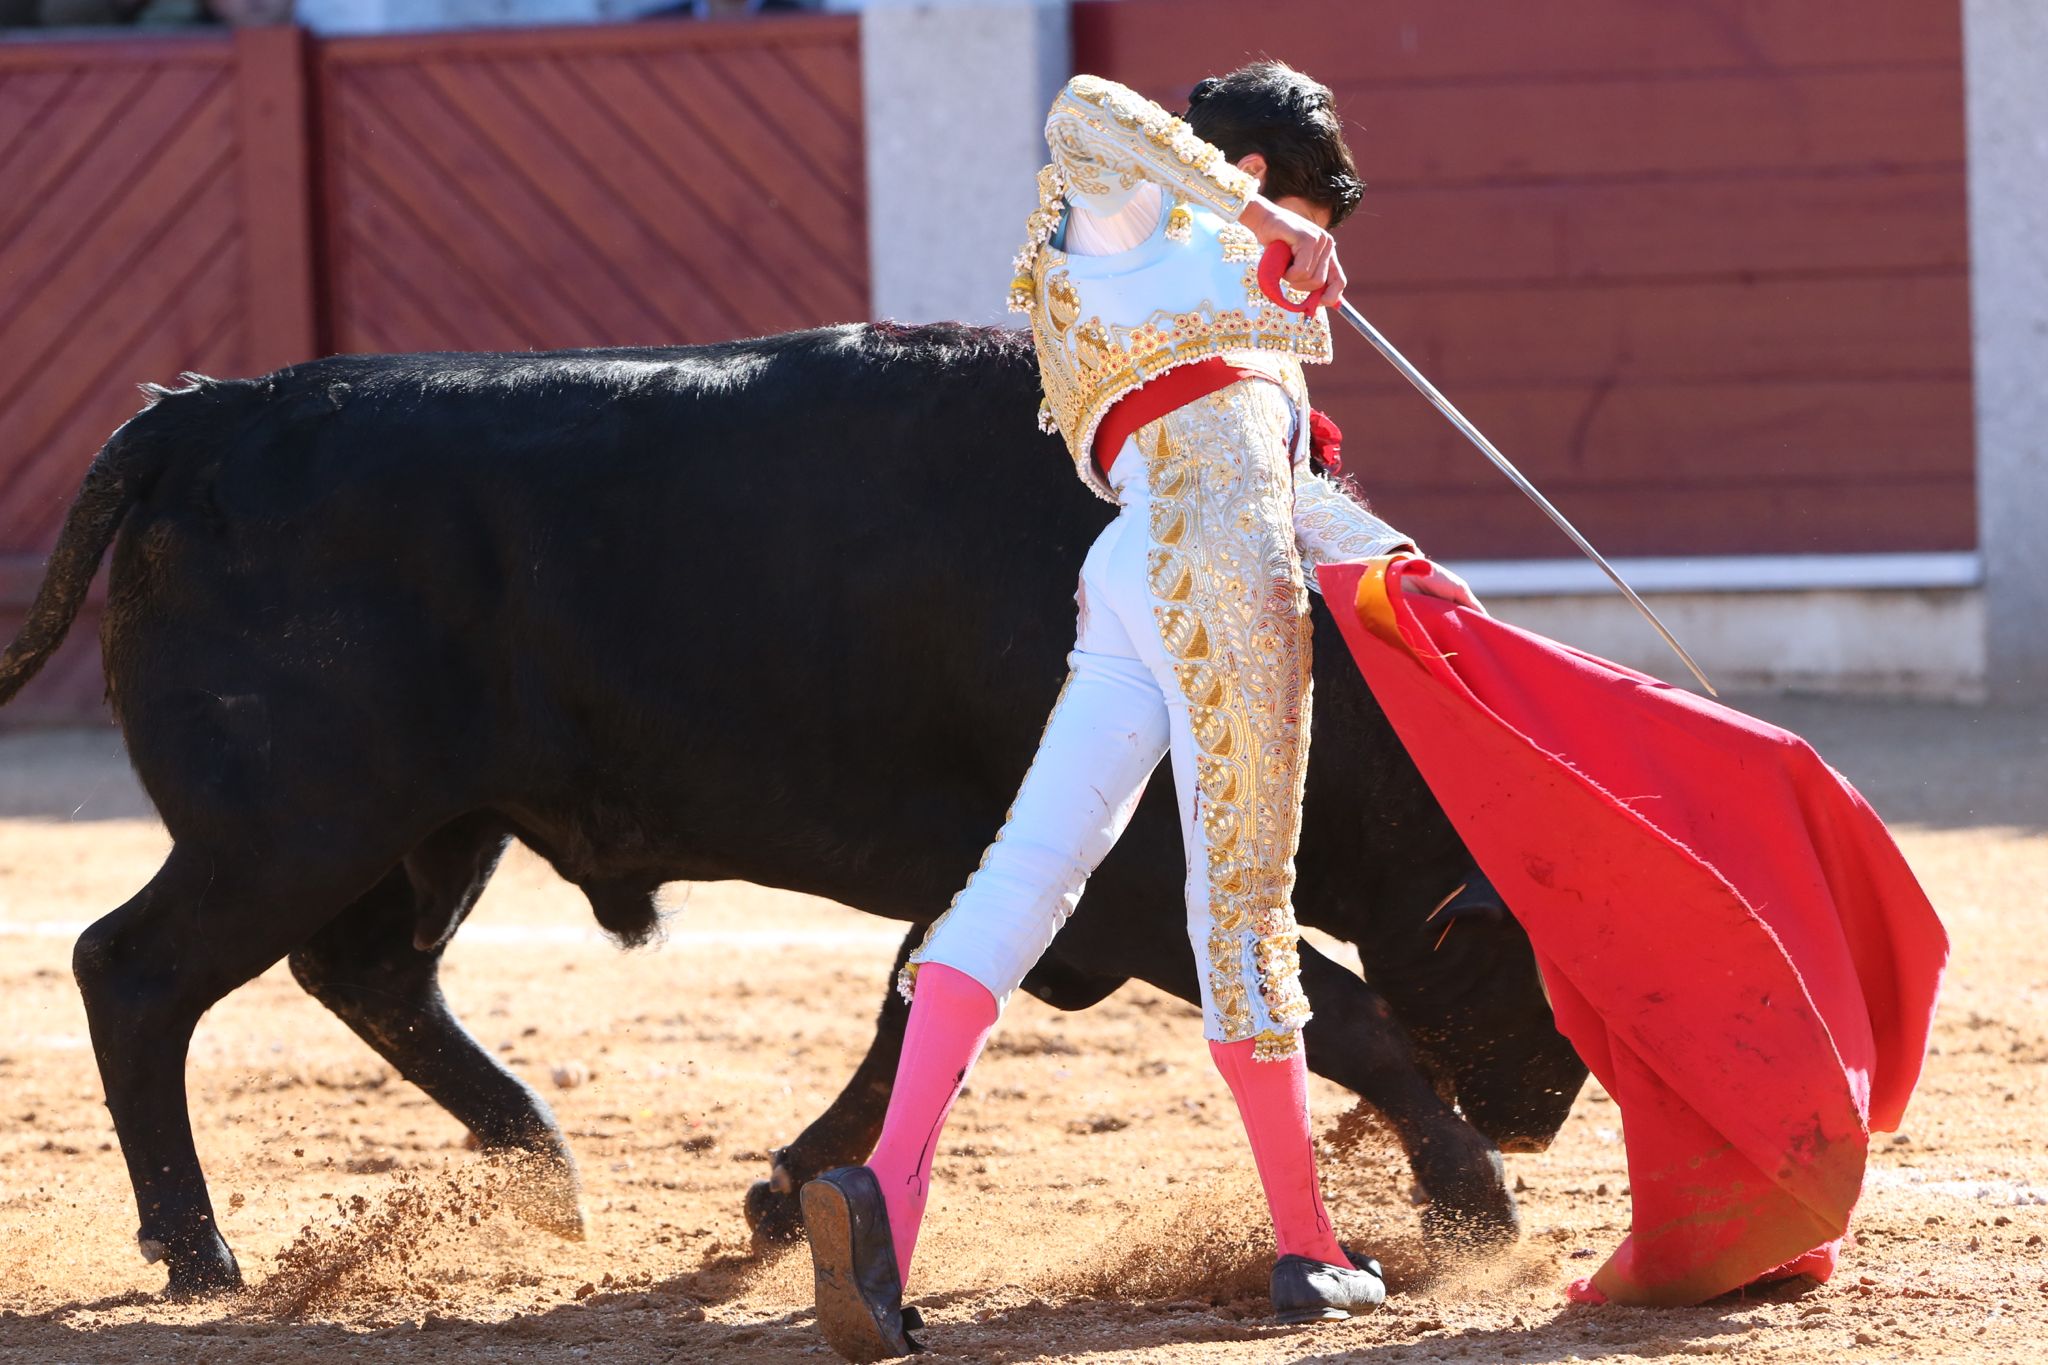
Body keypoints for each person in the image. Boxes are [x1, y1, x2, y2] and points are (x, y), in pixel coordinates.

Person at [801, 63, 1482, 1361]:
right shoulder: (1140, 223)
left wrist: (1411, 571)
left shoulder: (1198, 301)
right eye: (1311, 219)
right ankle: (1310, 1243)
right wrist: (1261, 218)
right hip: (1216, 577)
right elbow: (1082, 110)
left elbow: (1285, 487)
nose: (1315, 261)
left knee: (1025, 876)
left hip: (1133, 570)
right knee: (1240, 902)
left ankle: (885, 1191)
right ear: (1266, 179)